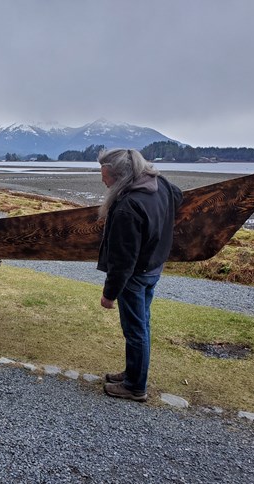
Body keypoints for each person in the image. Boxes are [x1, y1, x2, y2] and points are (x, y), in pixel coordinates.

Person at [97, 148, 183, 402]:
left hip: (135, 276)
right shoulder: (161, 185)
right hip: (153, 267)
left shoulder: (128, 207)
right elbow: (178, 198)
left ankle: (135, 386)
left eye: (106, 176)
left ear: (121, 175)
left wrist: (108, 294)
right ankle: (133, 373)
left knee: (135, 329)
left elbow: (123, 261)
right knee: (141, 325)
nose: (103, 180)